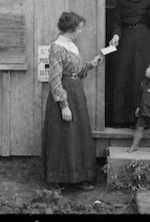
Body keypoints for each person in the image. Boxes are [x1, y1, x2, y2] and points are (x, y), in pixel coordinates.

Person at [41, 12, 103, 191]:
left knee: (79, 134)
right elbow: (55, 79)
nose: (81, 31)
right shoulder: (57, 47)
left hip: (77, 93)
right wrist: (64, 105)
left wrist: (91, 64)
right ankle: (57, 180)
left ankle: (80, 177)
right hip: (64, 95)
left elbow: (78, 72)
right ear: (71, 29)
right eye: (80, 28)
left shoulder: (71, 46)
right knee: (63, 135)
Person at [108, 0, 150, 126]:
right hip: (125, 40)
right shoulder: (121, 2)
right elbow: (117, 23)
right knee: (121, 76)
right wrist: (116, 35)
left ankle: (139, 119)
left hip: (144, 41)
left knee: (140, 77)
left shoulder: (149, 2)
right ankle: (120, 118)